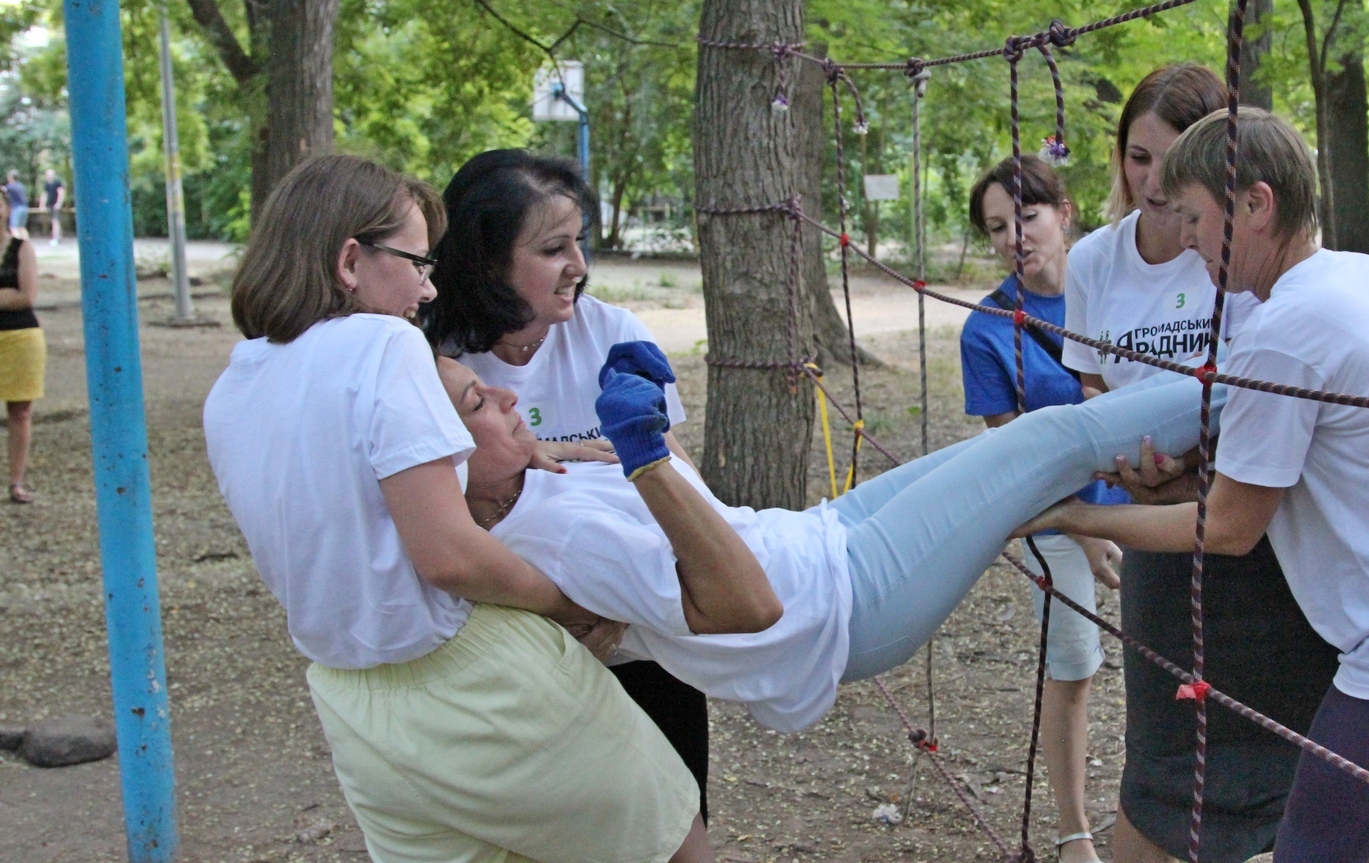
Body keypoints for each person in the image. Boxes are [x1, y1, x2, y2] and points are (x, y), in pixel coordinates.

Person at [1018, 108, 1369, 863]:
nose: (1184, 238)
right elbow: (1302, 467)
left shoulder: (1283, 331)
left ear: (1256, 204)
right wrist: (1185, 478)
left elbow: (1227, 528)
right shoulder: (1361, 277)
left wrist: (1079, 515)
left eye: (1194, 216)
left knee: (1312, 849)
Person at [203, 154, 716, 863]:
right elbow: (446, 553)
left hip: (352, 699)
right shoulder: (386, 346)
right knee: (674, 843)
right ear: (351, 261)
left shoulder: (234, 383)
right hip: (471, 668)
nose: (427, 283)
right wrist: (569, 606)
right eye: (416, 262)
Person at [440, 337, 1231, 734]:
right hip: (844, 603)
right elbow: (746, 603)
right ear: (441, 460)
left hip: (821, 537)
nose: (509, 397)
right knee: (1054, 438)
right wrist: (643, 457)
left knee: (1032, 445)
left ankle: (1217, 407)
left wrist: (622, 448)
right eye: (479, 405)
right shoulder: (558, 538)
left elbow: (698, 519)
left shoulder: (542, 485)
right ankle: (1246, 380)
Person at [1064, 63, 1338, 863]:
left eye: (1170, 160)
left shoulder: (1241, 249)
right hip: (1164, 524)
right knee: (1165, 746)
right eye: (1137, 156)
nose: (1151, 180)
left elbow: (1286, 395)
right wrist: (1127, 472)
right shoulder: (1094, 262)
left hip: (1271, 529)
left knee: (1315, 748)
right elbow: (1094, 395)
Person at [421, 148, 714, 820]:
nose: (578, 267)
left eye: (578, 242)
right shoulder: (431, 363)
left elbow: (679, 479)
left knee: (674, 813)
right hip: (509, 649)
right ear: (487, 258)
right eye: (554, 248)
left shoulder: (612, 334)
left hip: (643, 637)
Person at [958, 154, 1126, 863]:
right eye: (997, 226)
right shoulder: (986, 330)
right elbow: (1016, 458)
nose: (1014, 236)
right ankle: (1074, 828)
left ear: (1064, 213)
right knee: (1073, 662)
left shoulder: (1118, 290)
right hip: (1053, 515)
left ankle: (1167, 807)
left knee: (1173, 661)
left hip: (1149, 496)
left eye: (1026, 215)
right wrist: (1084, 530)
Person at [0, 192, 40, 504]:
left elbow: (26, 296)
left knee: (20, 410)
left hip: (20, 335)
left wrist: (14, 296)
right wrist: (7, 294)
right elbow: (14, 294)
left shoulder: (21, 248)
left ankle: (16, 482)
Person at [39, 170, 63, 246]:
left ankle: (55, 238)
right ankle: (58, 237)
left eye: (51, 174)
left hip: (55, 205)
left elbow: (61, 193)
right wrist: (42, 204)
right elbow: (44, 194)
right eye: (48, 174)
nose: (50, 176)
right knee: (54, 221)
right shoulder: (46, 184)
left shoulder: (57, 183)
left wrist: (58, 203)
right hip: (50, 205)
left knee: (55, 221)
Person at [5, 171, 27, 240]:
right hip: (24, 208)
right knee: (21, 228)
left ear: (11, 178)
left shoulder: (10, 186)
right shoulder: (21, 185)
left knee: (14, 228)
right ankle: (26, 243)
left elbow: (3, 190)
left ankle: (17, 246)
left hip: (16, 208)